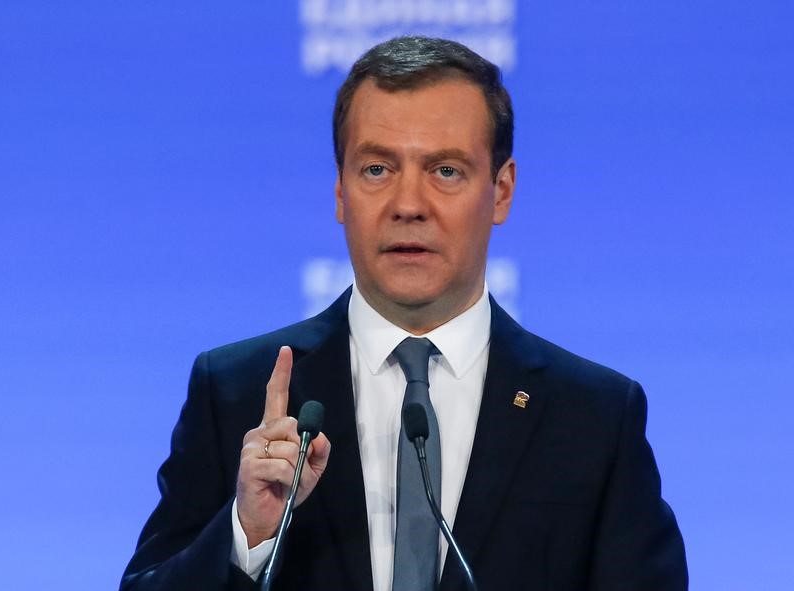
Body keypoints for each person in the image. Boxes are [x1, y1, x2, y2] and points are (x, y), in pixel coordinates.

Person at [121, 36, 687, 590]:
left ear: (503, 190)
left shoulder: (594, 416)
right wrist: (247, 533)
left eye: (445, 171)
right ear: (341, 193)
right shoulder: (236, 393)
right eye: (376, 170)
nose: (408, 205)